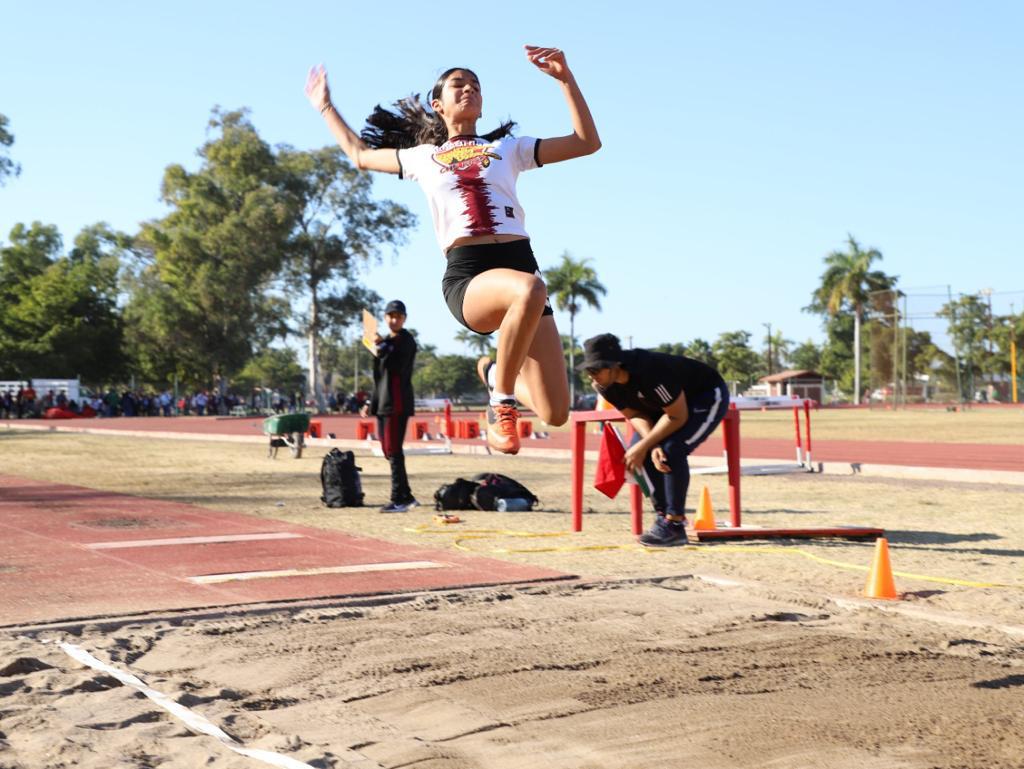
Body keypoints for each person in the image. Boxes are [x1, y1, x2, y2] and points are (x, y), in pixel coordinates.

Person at [305, 46, 601, 454]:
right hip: (471, 275)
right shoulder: (423, 158)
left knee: (555, 413)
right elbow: (358, 155)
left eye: (476, 87)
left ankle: (496, 372)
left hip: (518, 262)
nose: (469, 91)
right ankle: (501, 402)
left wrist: (566, 79)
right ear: (437, 104)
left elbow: (587, 142)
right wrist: (325, 107)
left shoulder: (509, 150)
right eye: (458, 85)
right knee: (532, 288)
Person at [579, 334, 731, 547]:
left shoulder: (650, 372)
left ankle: (675, 523)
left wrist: (648, 444)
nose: (591, 377)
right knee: (639, 454)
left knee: (671, 449)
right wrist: (649, 445)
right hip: (662, 408)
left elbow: (677, 416)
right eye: (588, 371)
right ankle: (663, 518)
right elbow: (634, 415)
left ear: (615, 365)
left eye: (595, 370)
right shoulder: (604, 386)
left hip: (704, 395)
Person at [361, 300, 419, 512]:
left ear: (404, 319)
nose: (394, 320)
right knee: (388, 450)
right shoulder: (385, 341)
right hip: (383, 402)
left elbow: (393, 358)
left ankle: (398, 499)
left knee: (393, 450)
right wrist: (369, 402)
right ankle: (407, 495)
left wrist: (379, 344)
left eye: (398, 316)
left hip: (397, 403)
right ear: (385, 318)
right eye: (390, 316)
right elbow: (380, 378)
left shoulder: (405, 340)